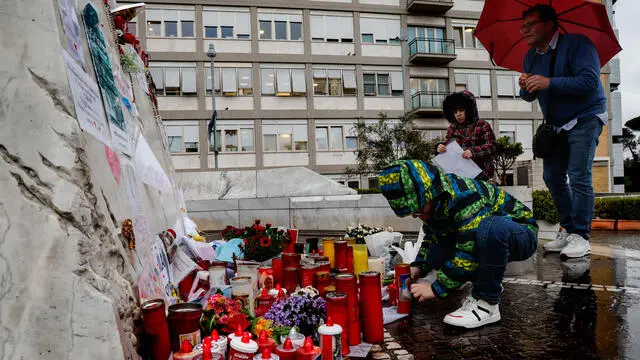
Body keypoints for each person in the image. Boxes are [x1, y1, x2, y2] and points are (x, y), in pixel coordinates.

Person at [379, 160, 538, 329]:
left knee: (490, 228)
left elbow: (468, 251)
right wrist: (418, 267)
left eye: (418, 210)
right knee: (435, 253)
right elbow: (431, 238)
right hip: (488, 235)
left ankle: (487, 302)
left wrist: (436, 288)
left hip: (521, 233)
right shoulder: (436, 204)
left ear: (431, 193)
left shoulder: (464, 195)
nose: (416, 215)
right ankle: (471, 280)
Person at [518, 4, 607, 259]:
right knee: (552, 176)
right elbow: (528, 97)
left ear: (549, 24)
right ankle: (568, 230)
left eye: (530, 24)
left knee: (578, 175)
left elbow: (590, 82)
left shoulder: (579, 45)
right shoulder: (530, 57)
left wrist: (548, 82)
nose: (524, 31)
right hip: (556, 125)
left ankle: (581, 236)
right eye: (522, 27)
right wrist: (525, 86)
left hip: (586, 116)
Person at [437, 91, 497, 181]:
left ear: (469, 109)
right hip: (458, 175)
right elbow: (448, 146)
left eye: (461, 110)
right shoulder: (452, 128)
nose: (458, 114)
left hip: (480, 174)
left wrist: (473, 152)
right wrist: (440, 147)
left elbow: (492, 146)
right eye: (455, 111)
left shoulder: (482, 125)